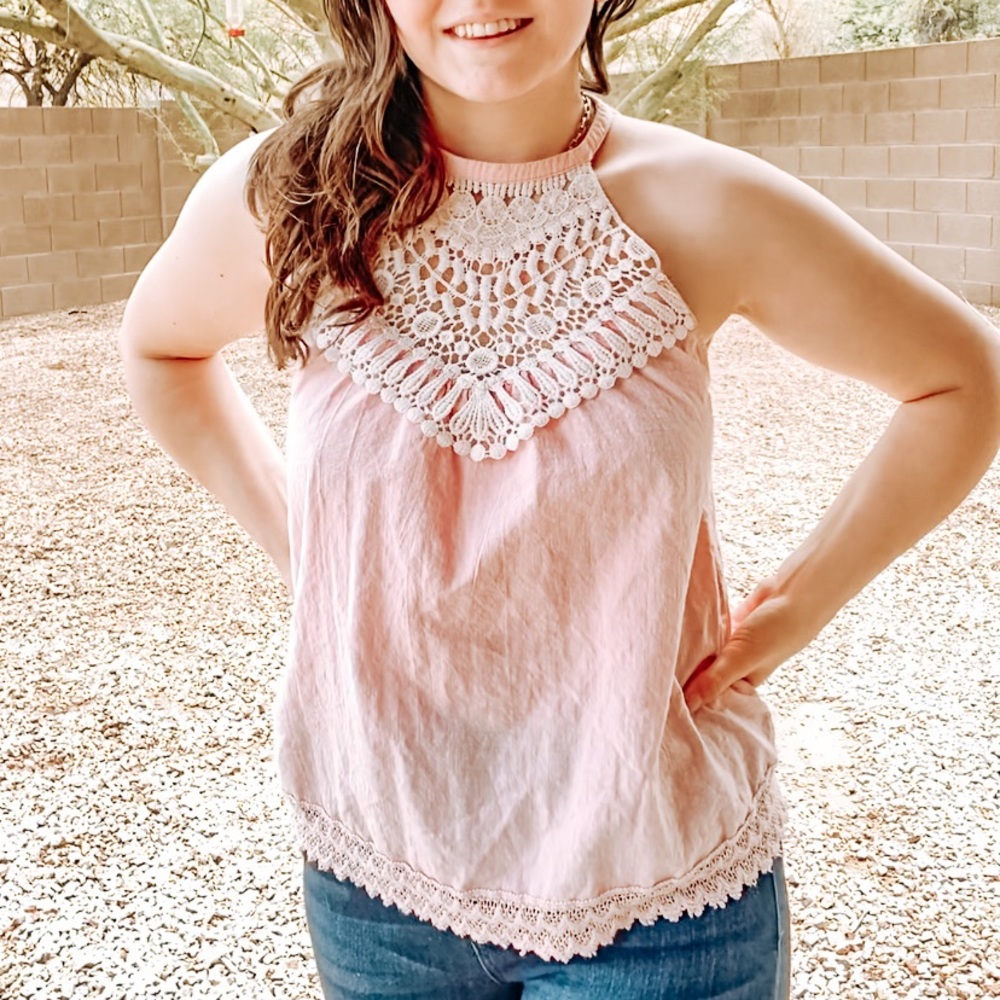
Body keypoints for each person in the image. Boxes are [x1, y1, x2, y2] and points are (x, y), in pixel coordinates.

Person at [117, 1, 1000, 997]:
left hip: (659, 889)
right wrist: (301, 543)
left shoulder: (700, 202)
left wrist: (795, 606)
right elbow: (162, 347)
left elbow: (960, 379)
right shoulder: (290, 197)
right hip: (377, 868)